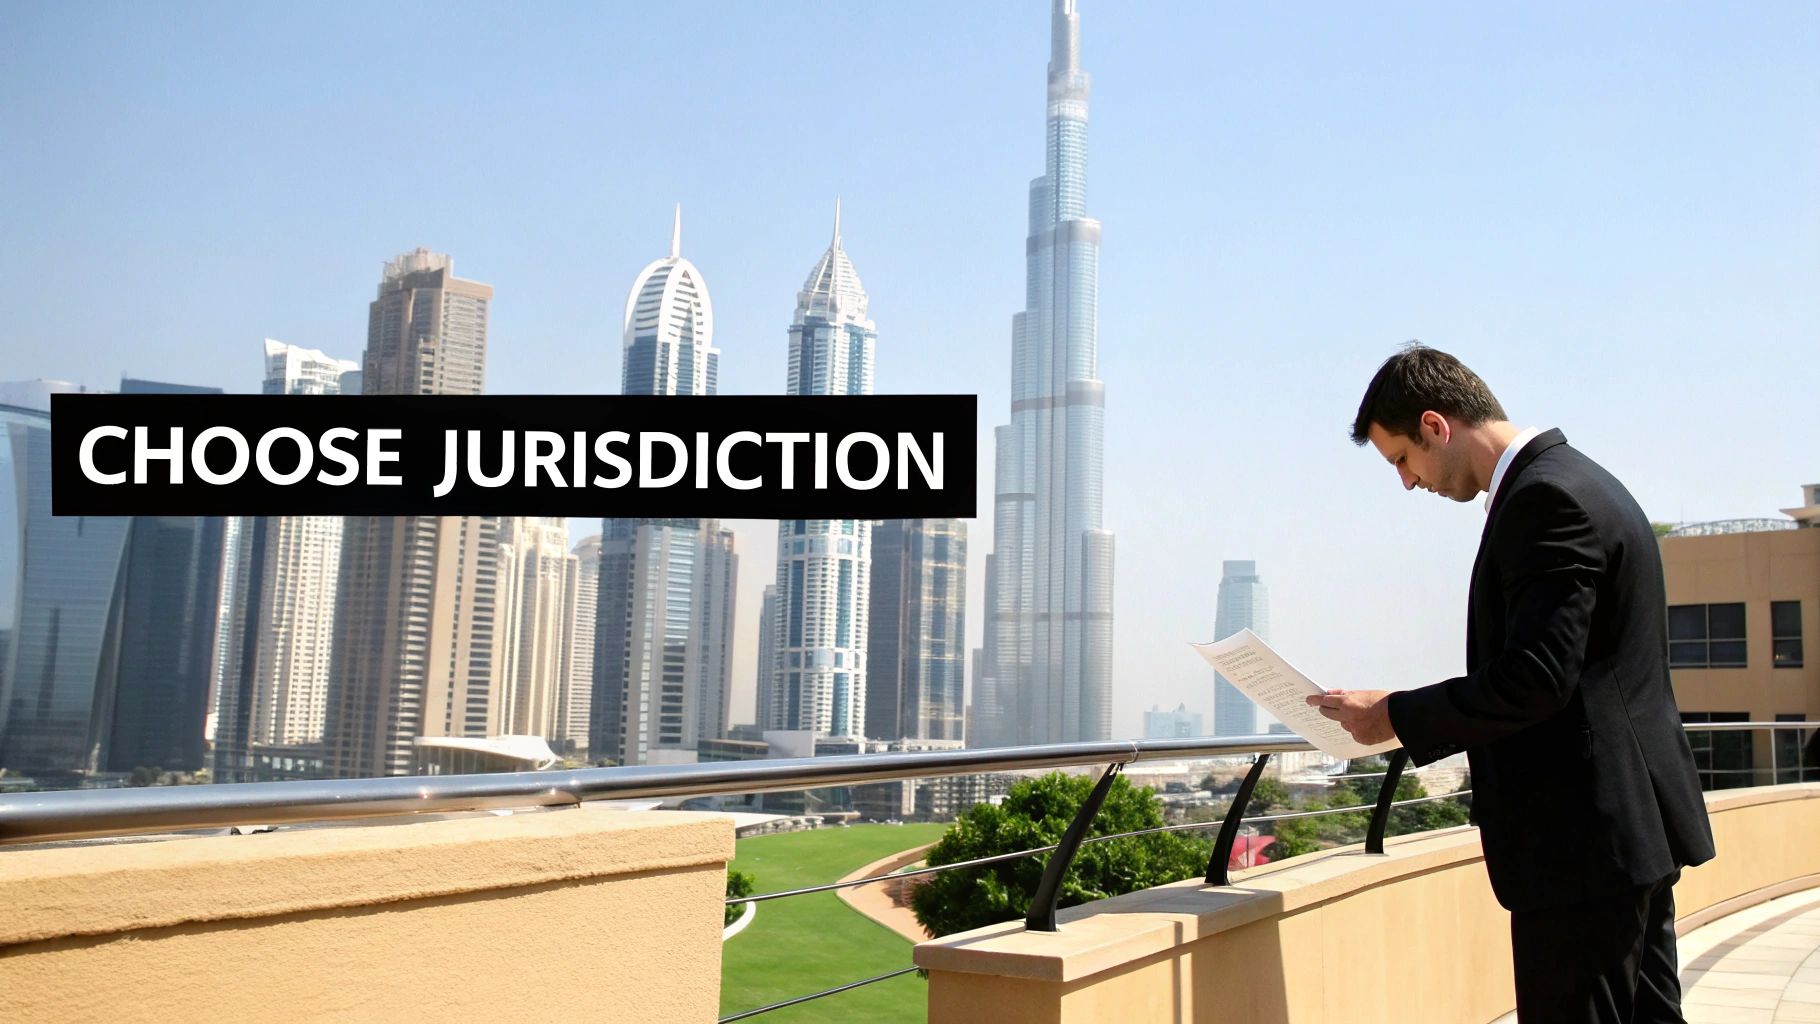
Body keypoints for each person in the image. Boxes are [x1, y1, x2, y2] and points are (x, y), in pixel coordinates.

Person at [1309, 344, 1715, 1023]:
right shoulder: (1586, 480)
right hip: (1627, 837)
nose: (1407, 483)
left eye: (1402, 460)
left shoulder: (1544, 500)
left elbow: (1536, 678)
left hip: (1580, 847)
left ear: (1435, 426)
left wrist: (1395, 715)